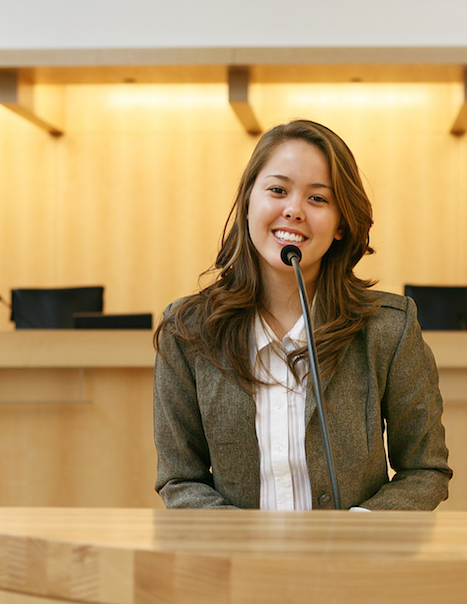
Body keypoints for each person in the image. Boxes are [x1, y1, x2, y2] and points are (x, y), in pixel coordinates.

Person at [153, 119, 451, 510]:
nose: (293, 210)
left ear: (341, 224)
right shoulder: (187, 332)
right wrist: (245, 547)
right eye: (277, 190)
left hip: (352, 566)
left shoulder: (389, 329)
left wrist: (356, 534)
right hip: (235, 566)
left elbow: (425, 470)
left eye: (318, 199)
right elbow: (179, 478)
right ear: (247, 203)